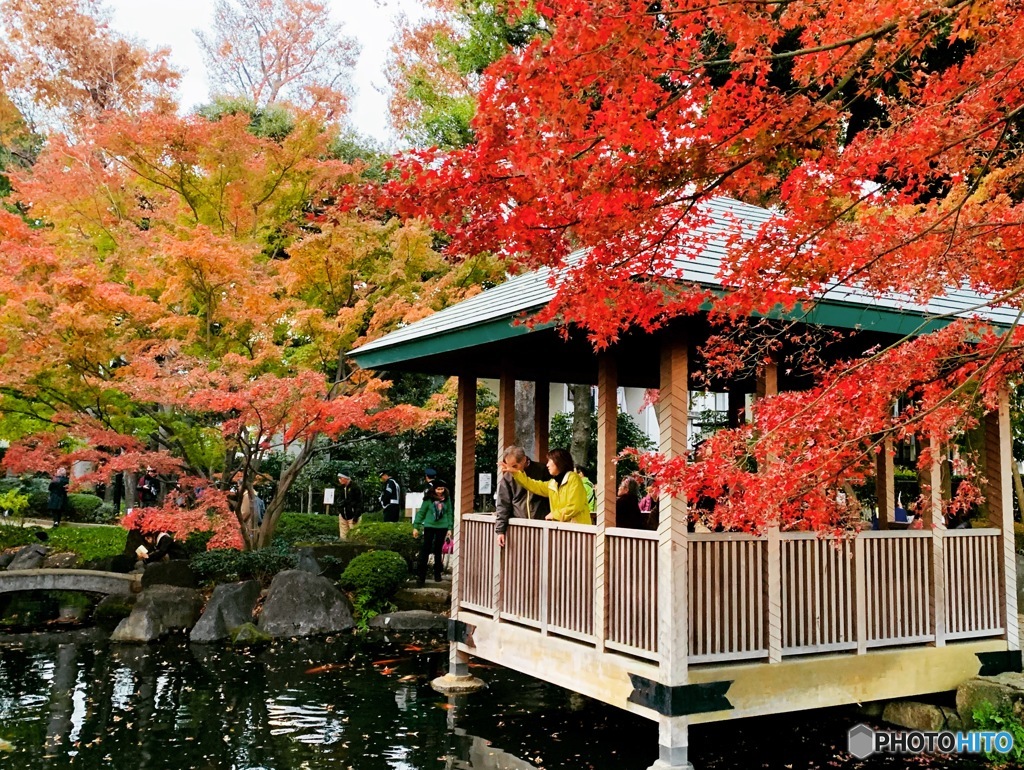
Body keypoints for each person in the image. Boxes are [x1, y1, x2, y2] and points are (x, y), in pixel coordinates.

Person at [499, 448, 590, 525]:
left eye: (550, 461)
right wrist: (515, 473)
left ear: (559, 462)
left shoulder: (573, 478)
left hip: (578, 531)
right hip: (564, 530)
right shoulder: (553, 483)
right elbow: (532, 485)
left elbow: (574, 506)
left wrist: (554, 515)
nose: (547, 465)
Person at [494, 445, 551, 547]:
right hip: (519, 528)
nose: (511, 469)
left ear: (524, 460)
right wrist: (500, 531)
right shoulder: (508, 477)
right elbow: (503, 504)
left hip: (543, 527)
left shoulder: (543, 471)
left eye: (515, 466)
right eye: (508, 466)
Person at [412, 484, 453, 587]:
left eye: (442, 489)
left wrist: (449, 528)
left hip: (442, 526)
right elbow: (421, 513)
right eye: (438, 489)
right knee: (425, 549)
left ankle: (437, 573)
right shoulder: (428, 499)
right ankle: (421, 577)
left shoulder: (447, 499)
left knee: (438, 550)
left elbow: (449, 513)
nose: (440, 491)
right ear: (434, 489)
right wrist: (416, 526)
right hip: (430, 526)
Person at [336, 472, 363, 539]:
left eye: (341, 478)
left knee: (354, 536)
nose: (339, 480)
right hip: (343, 516)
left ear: (346, 478)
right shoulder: (341, 488)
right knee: (343, 536)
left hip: (353, 516)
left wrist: (356, 516)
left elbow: (359, 502)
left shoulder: (355, 487)